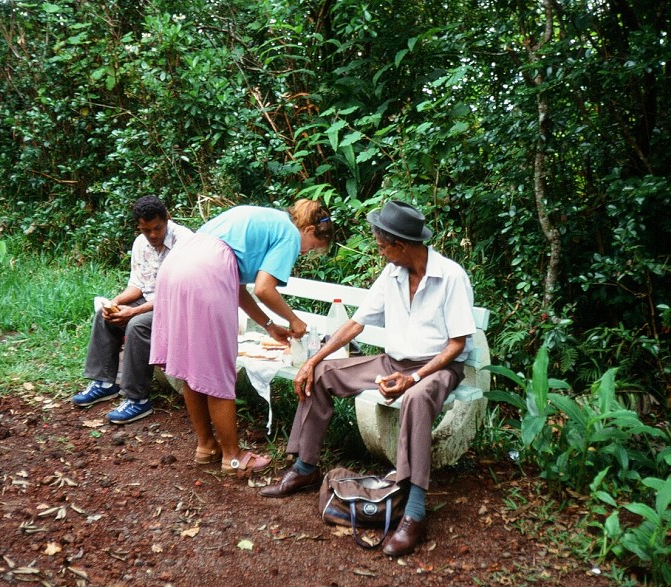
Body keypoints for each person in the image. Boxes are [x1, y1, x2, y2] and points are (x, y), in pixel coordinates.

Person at [259, 200, 476, 558]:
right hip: (393, 362)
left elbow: (457, 344)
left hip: (436, 367)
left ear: (401, 245)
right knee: (324, 374)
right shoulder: (392, 273)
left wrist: (416, 377)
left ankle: (415, 511)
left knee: (418, 397)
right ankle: (305, 467)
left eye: (381, 246)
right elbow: (357, 323)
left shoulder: (450, 276)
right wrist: (313, 359)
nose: (379, 251)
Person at [150, 200, 334, 478]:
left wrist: (270, 325)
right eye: (311, 247)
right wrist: (295, 320)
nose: (305, 252)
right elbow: (263, 288)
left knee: (193, 365)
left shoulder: (264, 219)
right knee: (217, 370)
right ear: (308, 229)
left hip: (176, 266)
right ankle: (233, 457)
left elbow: (238, 288)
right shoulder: (290, 234)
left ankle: (206, 446)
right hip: (205, 273)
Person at [72, 196, 194, 424]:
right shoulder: (141, 243)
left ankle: (138, 399)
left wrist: (133, 313)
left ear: (167, 218)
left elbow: (175, 294)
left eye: (158, 228)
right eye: (146, 230)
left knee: (138, 326)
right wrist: (116, 302)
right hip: (153, 302)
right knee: (105, 315)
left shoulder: (185, 241)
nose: (153, 235)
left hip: (181, 307)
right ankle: (105, 383)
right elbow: (138, 285)